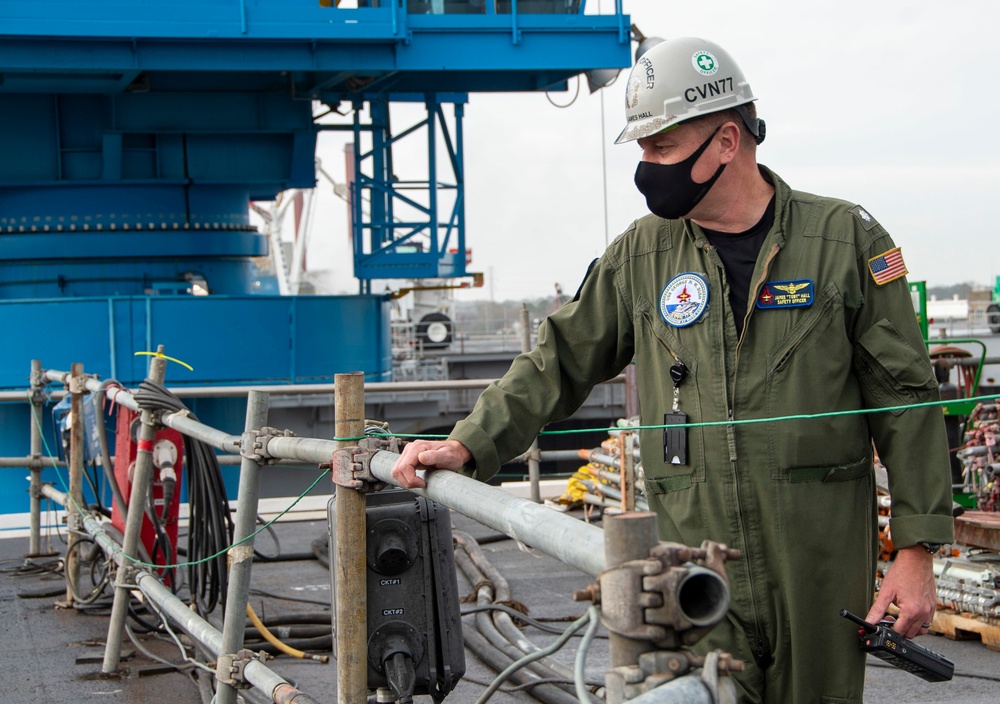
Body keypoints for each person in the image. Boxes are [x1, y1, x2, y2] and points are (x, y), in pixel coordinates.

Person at [391, 36, 954, 703]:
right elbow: (557, 361)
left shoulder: (844, 242)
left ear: (725, 141)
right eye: (642, 150)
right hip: (695, 560)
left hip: (820, 560)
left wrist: (917, 552)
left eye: (661, 147)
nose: (646, 167)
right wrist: (471, 441)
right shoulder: (641, 256)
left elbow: (906, 398)